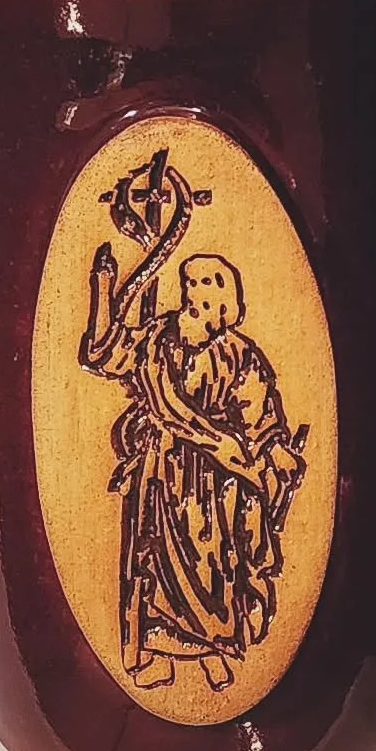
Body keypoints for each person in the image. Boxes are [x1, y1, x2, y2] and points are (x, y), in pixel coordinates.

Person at [81, 241, 308, 693]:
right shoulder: (157, 339)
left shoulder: (238, 355)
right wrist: (103, 288)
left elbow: (260, 417)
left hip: (214, 483)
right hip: (161, 469)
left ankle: (211, 648)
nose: (203, 299)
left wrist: (276, 453)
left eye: (213, 291)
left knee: (212, 565)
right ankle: (153, 652)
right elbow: (104, 354)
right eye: (197, 288)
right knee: (152, 562)